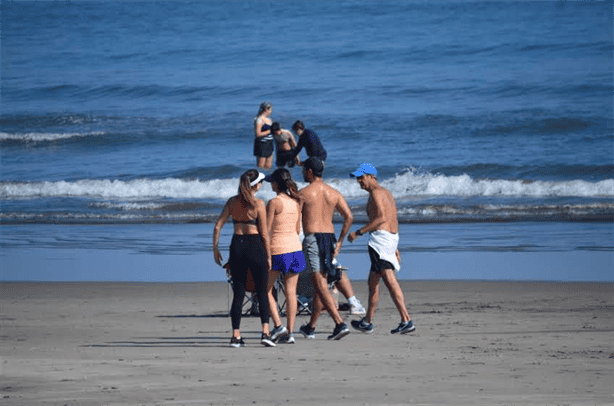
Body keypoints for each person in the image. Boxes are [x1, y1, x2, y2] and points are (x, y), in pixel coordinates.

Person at [347, 163, 416, 335]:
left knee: (390, 280)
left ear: (371, 176)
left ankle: (406, 319)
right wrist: (395, 246)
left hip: (380, 241)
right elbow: (393, 219)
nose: (359, 182)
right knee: (373, 282)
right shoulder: (387, 192)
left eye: (361, 178)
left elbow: (381, 218)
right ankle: (367, 322)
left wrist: (358, 232)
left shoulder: (376, 193)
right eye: (357, 178)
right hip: (390, 239)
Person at [213, 169, 276, 347]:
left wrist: (215, 249)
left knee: (239, 294)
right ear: (255, 185)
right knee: (262, 291)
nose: (262, 185)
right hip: (255, 245)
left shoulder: (232, 201)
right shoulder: (258, 204)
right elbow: (264, 234)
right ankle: (265, 333)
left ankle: (236, 336)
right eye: (261, 182)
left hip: (237, 246)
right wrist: (269, 256)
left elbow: (218, 226)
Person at [298, 157, 351, 340]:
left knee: (319, 283)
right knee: (322, 282)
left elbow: (295, 221)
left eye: (304, 170)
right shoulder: (333, 192)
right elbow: (349, 217)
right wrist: (340, 241)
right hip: (329, 238)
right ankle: (311, 326)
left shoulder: (304, 193)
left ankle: (339, 323)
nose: (303, 173)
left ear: (310, 172)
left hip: (313, 237)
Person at [264, 169, 306, 344]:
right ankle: (290, 333)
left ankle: (278, 325)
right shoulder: (295, 202)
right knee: (291, 292)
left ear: (275, 184)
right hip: (295, 249)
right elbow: (297, 229)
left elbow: (265, 230)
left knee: (264, 290)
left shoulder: (274, 202)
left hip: (277, 250)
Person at [253, 102, 274, 169]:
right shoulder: (259, 119)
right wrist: (269, 131)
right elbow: (258, 134)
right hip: (262, 143)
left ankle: (267, 178)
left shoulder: (269, 120)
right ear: (266, 109)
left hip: (270, 142)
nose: (271, 111)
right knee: (261, 166)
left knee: (269, 165)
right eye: (270, 109)